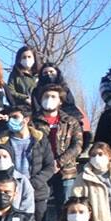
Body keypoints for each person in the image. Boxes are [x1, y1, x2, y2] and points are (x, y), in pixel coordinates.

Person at [0, 105, 55, 221]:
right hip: (12, 194)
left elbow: (50, 166)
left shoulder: (40, 139)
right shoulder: (3, 141)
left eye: (15, 117)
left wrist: (33, 183)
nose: (11, 120)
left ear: (26, 120)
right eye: (10, 117)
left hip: (37, 193)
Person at [33, 84, 84, 212]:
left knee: (65, 208)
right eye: (46, 96)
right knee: (39, 210)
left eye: (53, 96)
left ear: (60, 101)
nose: (49, 99)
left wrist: (59, 162)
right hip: (41, 171)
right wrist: (47, 165)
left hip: (65, 172)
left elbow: (77, 145)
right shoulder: (32, 122)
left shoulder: (71, 122)